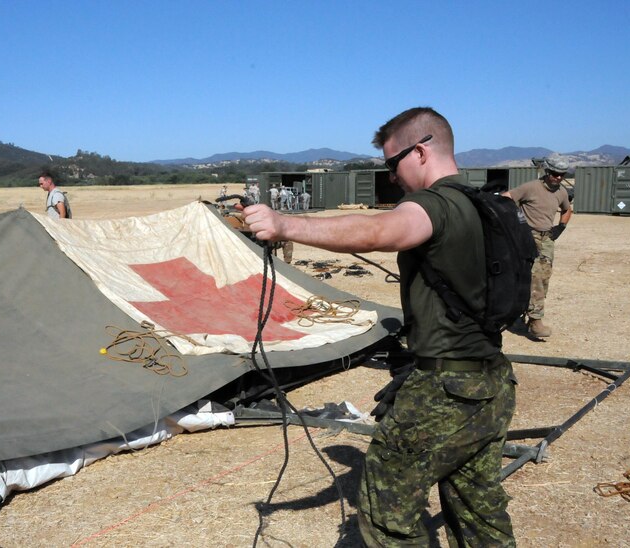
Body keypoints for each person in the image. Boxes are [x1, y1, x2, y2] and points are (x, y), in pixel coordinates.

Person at [243, 107, 516, 546]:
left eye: (393, 163)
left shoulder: (435, 204)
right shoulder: (484, 205)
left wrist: (283, 224)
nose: (392, 177)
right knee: (478, 508)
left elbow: (377, 231)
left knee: (387, 517)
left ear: (422, 151)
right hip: (492, 380)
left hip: (444, 388)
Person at [502, 157, 572, 338]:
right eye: (555, 174)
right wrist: (518, 221)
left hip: (547, 238)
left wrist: (561, 227)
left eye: (561, 175)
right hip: (528, 236)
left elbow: (567, 209)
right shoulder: (531, 187)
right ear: (547, 172)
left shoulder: (561, 192)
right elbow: (506, 199)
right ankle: (527, 318)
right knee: (528, 276)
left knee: (542, 277)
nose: (558, 178)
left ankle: (531, 318)